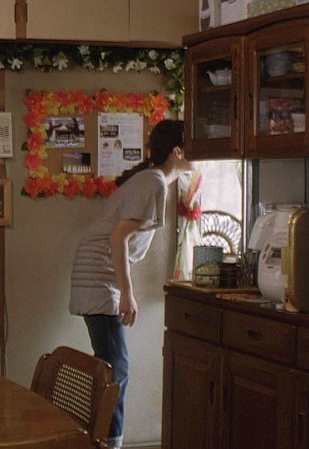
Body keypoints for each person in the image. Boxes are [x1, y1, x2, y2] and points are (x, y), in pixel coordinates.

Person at [68, 120, 191, 449]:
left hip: (97, 273)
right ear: (177, 151)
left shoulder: (150, 179)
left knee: (110, 367)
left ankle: (101, 440)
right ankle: (109, 442)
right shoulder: (154, 182)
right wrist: (127, 294)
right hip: (98, 276)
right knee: (115, 370)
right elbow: (118, 238)